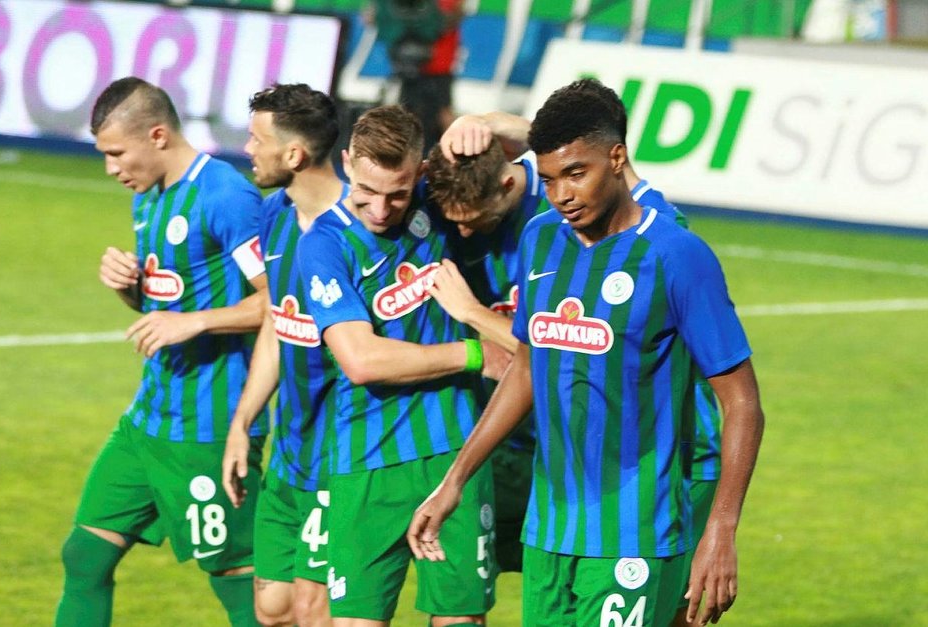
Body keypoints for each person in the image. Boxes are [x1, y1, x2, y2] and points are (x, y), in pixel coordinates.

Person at [408, 85, 765, 627]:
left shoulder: (675, 253)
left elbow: (742, 403)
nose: (562, 195)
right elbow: (528, 366)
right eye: (549, 179)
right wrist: (455, 479)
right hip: (549, 528)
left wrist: (719, 530)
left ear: (617, 159)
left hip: (635, 528)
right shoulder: (540, 238)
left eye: (576, 174)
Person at [56, 77, 269, 626]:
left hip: (209, 426)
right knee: (85, 555)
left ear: (157, 136)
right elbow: (163, 308)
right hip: (149, 418)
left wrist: (197, 321)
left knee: (239, 582)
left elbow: (282, 302)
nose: (111, 169)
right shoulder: (147, 198)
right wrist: (128, 287)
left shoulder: (226, 196)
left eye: (116, 153)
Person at [293, 104, 507, 626]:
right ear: (347, 162)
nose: (381, 209)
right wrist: (474, 353)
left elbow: (526, 165)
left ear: (422, 172)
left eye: (398, 193)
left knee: (460, 620)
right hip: (367, 459)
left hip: (455, 452)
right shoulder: (324, 244)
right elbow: (361, 360)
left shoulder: (438, 205)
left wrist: (484, 124)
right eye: (367, 191)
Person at [221, 83, 349, 627]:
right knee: (272, 608)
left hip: (342, 456)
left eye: (257, 139)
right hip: (290, 450)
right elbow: (279, 318)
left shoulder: (359, 228)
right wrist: (243, 422)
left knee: (313, 610)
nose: (248, 149)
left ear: (294, 154)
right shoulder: (274, 214)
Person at [423, 138, 547, 574]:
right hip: (496, 443)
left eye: (475, 219)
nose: (463, 233)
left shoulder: (555, 224)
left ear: (507, 185)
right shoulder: (454, 224)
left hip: (561, 450)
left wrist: (471, 312)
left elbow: (557, 345)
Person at [368, 0, 463, 150]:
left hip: (439, 62)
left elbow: (453, 16)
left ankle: (457, 152)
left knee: (442, 113)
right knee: (407, 112)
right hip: (408, 61)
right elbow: (371, 16)